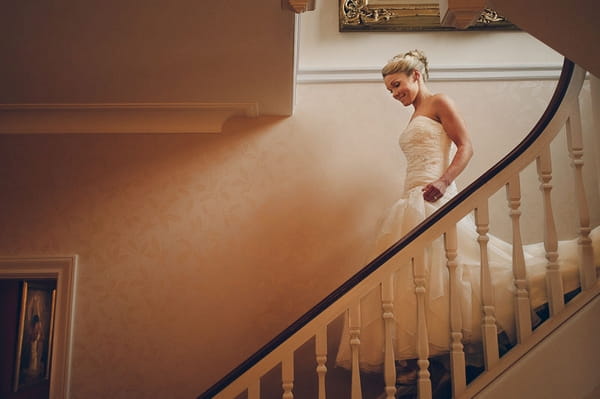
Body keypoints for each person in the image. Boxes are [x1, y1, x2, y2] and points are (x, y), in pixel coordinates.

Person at [335, 50, 600, 383]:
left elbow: (466, 146)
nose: (394, 93)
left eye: (397, 85)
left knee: (454, 271)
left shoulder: (440, 102)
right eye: (389, 89)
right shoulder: (416, 112)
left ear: (416, 75)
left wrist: (444, 181)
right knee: (422, 277)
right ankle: (441, 362)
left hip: (435, 196)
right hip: (411, 199)